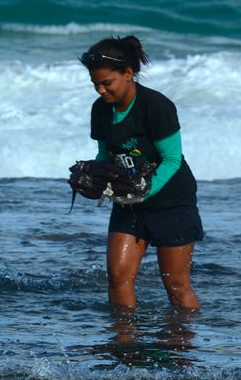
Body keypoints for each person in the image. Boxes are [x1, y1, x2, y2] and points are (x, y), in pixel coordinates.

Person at [79, 36, 202, 310]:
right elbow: (105, 155)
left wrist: (144, 191)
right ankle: (124, 346)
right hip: (129, 203)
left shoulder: (155, 106)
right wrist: (96, 178)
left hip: (172, 202)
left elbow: (172, 159)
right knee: (118, 277)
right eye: (95, 84)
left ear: (128, 73)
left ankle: (183, 348)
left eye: (106, 83)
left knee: (176, 285)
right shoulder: (101, 110)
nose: (100, 90)